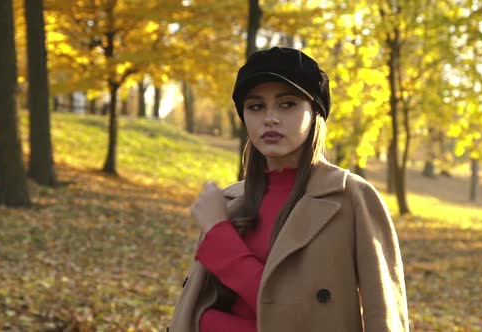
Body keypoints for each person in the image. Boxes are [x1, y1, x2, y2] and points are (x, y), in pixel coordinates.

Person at [168, 47, 408, 332]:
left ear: (315, 111)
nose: (270, 118)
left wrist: (220, 237)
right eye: (256, 106)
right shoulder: (230, 201)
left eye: (287, 104)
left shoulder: (350, 198)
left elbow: (382, 314)